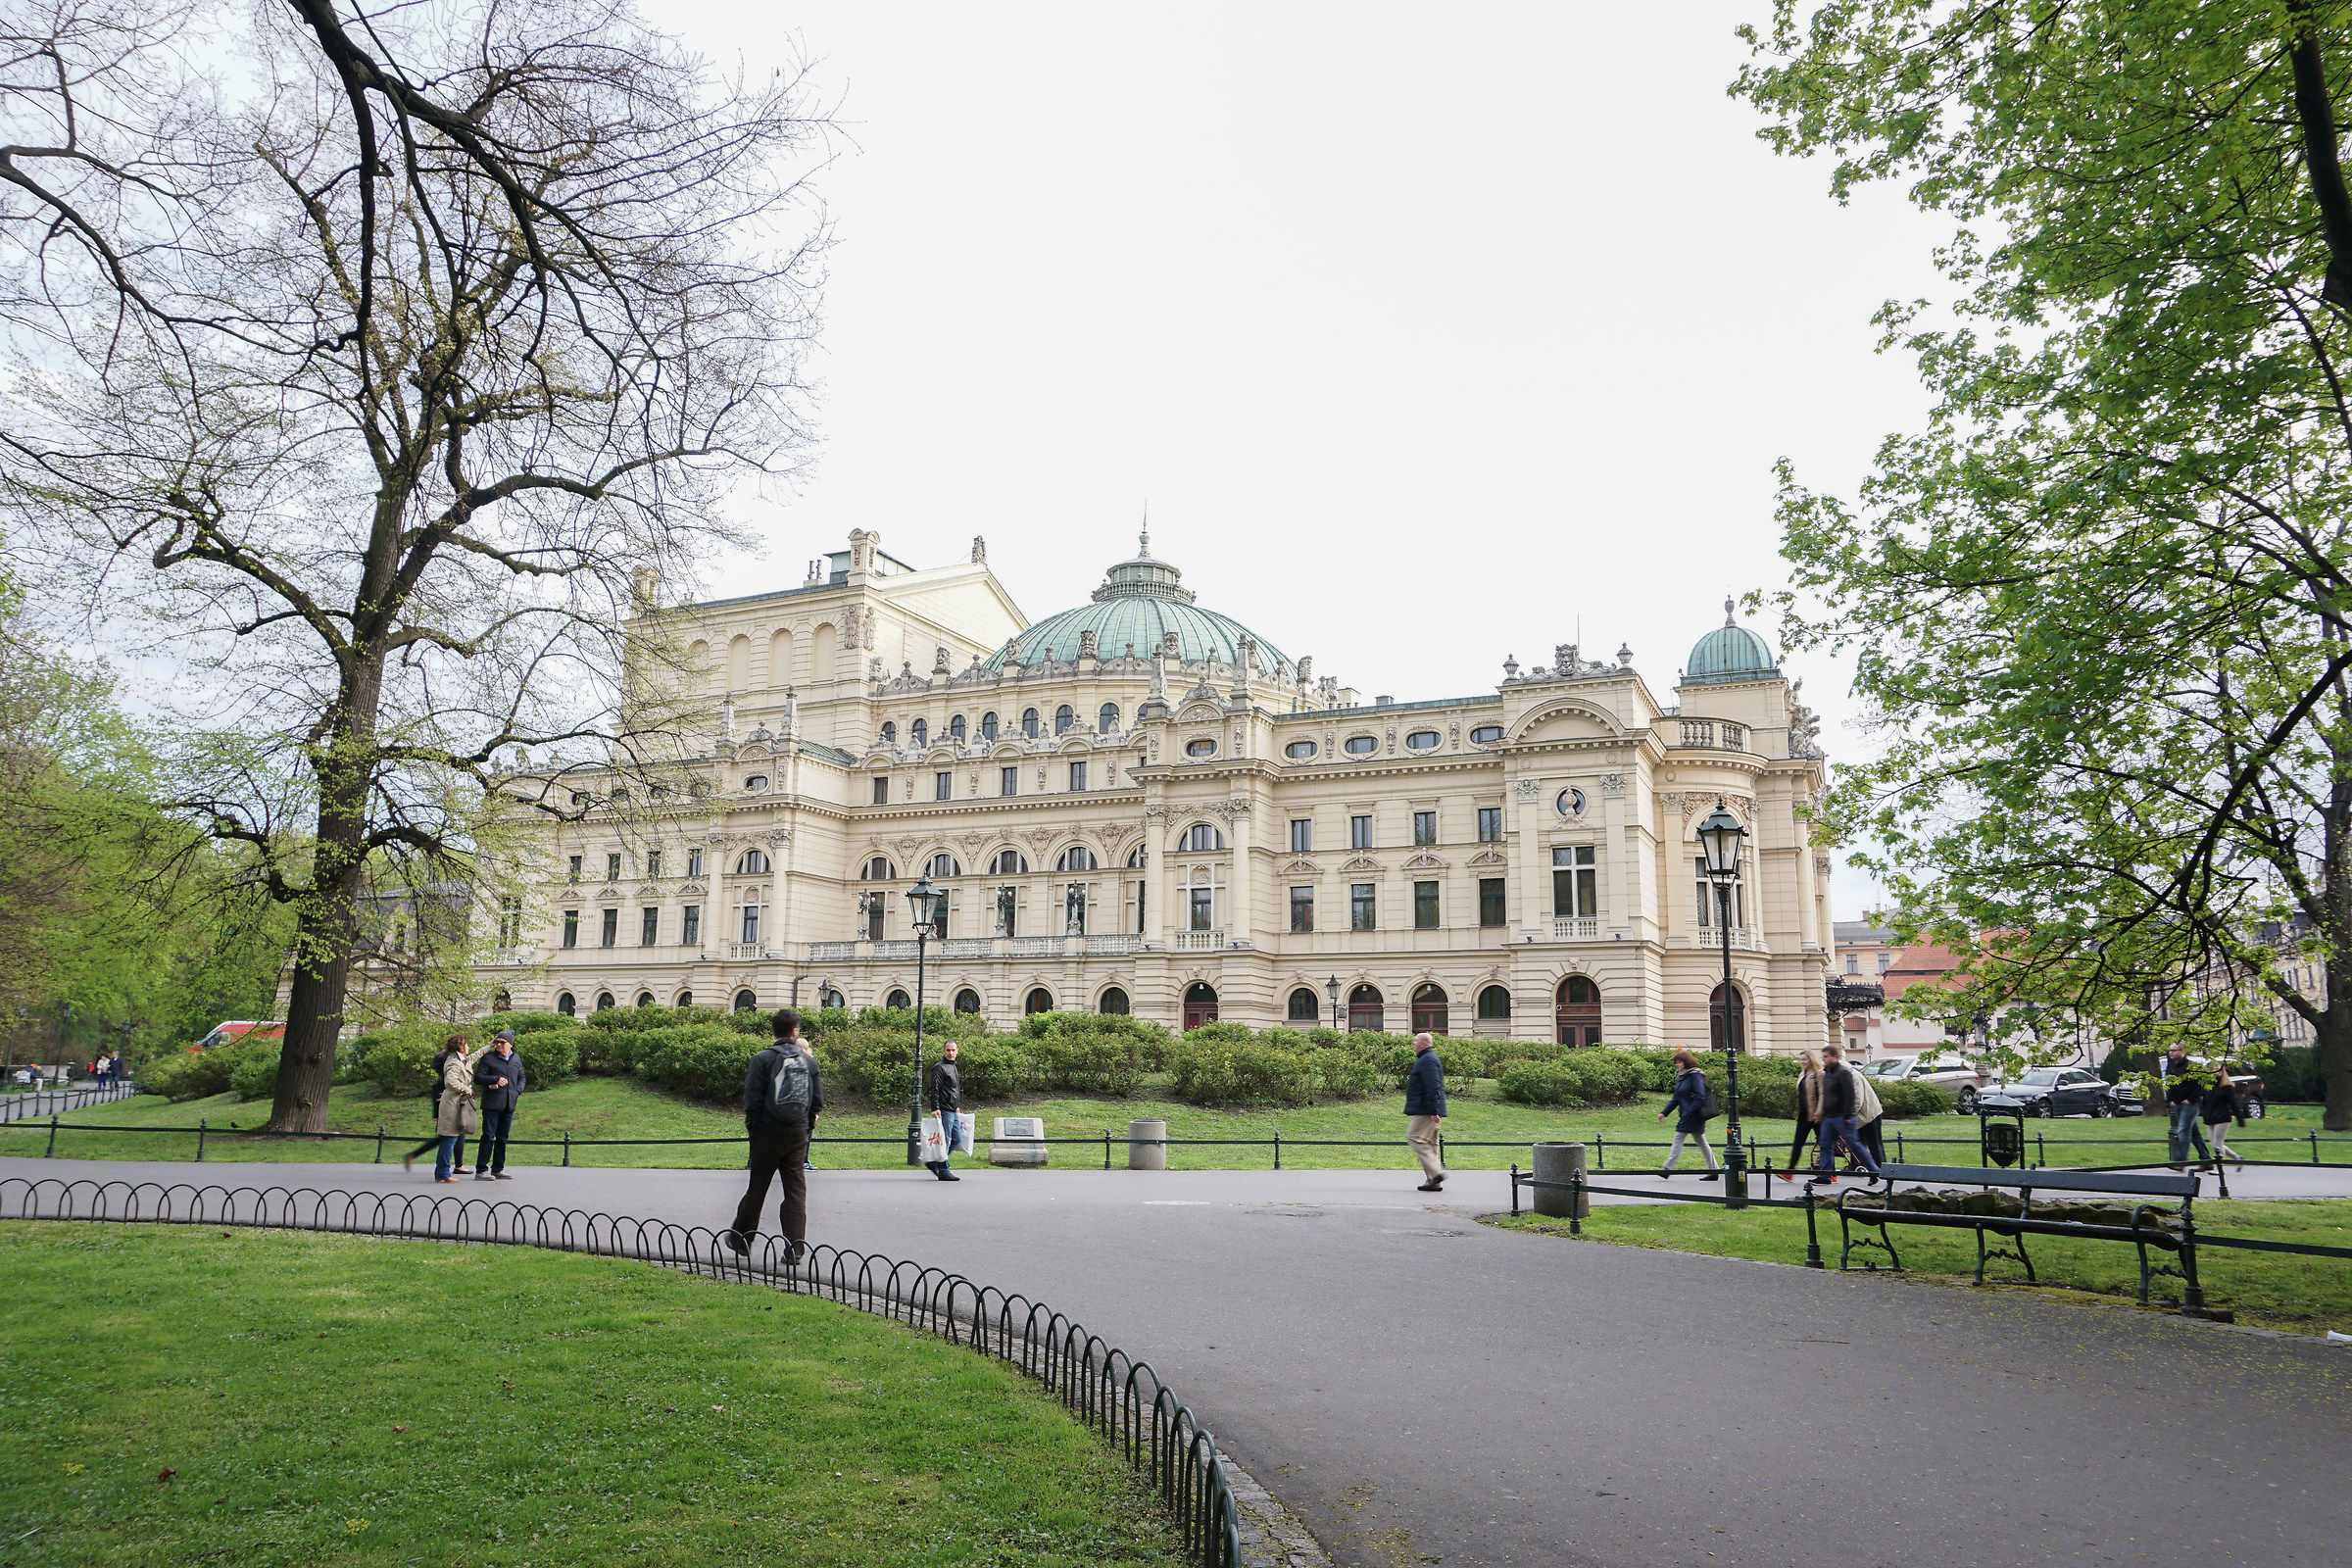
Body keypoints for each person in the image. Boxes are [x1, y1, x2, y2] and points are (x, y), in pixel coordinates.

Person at [726, 1008, 823, 1259]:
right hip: (797, 1134)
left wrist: (754, 1130)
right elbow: (817, 1102)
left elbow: (753, 1100)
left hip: (767, 1134)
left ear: (773, 1031)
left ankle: (742, 1241)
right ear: (795, 1032)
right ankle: (795, 1249)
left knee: (757, 1189)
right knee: (795, 1193)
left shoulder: (762, 1058)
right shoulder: (809, 1061)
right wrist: (804, 1128)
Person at [1811, 1044, 1883, 1184]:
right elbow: (1826, 1096)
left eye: (1826, 1057)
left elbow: (1851, 1096)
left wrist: (1848, 1116)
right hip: (1829, 1118)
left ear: (1834, 1057)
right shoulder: (1827, 1074)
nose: (1823, 1059)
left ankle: (1874, 1171)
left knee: (1854, 1145)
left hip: (1842, 1117)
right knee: (1825, 1145)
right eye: (1823, 1057)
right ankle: (1825, 1175)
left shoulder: (1844, 1073)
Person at [404, 1037, 469, 1174]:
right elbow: (448, 1077)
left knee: (449, 1135)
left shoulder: (446, 1057)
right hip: (444, 1097)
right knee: (451, 1133)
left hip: (443, 1095)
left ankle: (414, 1155)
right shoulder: (448, 1059)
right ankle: (456, 1166)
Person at [432, 1035, 489, 1183]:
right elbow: (450, 1082)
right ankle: (443, 1173)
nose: (468, 1048)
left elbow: (474, 1057)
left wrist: (488, 1047)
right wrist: (466, 1089)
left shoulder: (460, 1059)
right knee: (449, 1139)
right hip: (451, 1104)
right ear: (461, 1047)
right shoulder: (453, 1063)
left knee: (449, 1139)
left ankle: (441, 1173)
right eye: (467, 1045)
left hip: (455, 1103)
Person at [472, 1028, 526, 1180]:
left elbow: (522, 1077)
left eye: (502, 1042)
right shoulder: (489, 1058)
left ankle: (498, 1168)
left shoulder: (516, 1059)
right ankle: (481, 1169)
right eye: (497, 1042)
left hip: (509, 1103)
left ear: (510, 1044)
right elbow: (478, 1077)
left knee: (502, 1137)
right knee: (488, 1136)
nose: (499, 1045)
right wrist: (494, 1079)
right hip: (492, 1103)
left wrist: (517, 1091)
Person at [1657, 1050, 1719, 1181]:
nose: (1677, 1065)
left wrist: (1688, 1112)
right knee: (1702, 1142)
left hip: (1694, 1115)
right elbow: (1676, 1099)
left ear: (1686, 1062)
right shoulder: (1682, 1077)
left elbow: (1700, 1096)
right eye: (1676, 1062)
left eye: (1679, 1062)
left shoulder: (1695, 1075)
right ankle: (1714, 1170)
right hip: (1688, 1115)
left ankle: (1667, 1169)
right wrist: (1664, 1113)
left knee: (1678, 1139)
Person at [1403, 1032, 1447, 1192]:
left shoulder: (1427, 1060)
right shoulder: (1427, 1058)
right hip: (1429, 1108)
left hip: (1426, 1110)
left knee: (1415, 1138)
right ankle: (1433, 1181)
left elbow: (1433, 1086)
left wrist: (1434, 1110)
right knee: (1430, 1143)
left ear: (1424, 1044)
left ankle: (1436, 1173)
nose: (1413, 1043)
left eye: (1416, 1041)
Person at [2163, 1046, 2211, 1170]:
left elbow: (2199, 1085)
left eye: (2174, 1050)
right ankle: (2206, 1160)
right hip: (2178, 1104)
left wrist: (2190, 1099)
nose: (2171, 1053)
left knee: (2183, 1131)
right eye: (2170, 1050)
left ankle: (2180, 1162)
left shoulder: (2191, 1066)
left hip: (2189, 1105)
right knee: (2194, 1134)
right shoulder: (2171, 1066)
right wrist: (2171, 1100)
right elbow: (2169, 1084)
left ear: (2182, 1051)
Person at [1779, 1049, 1824, 1180]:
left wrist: (1819, 1112)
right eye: (1801, 1059)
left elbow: (1822, 1094)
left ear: (1811, 1059)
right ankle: (1789, 1171)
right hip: (1804, 1115)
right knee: (1797, 1143)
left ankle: (1830, 1173)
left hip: (1816, 1116)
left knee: (1824, 1145)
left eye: (1805, 1059)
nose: (1802, 1062)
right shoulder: (1802, 1074)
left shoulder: (1819, 1074)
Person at [924, 1040, 962, 1182]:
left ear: (957, 1051)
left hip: (953, 1110)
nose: (951, 1053)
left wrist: (956, 1105)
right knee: (945, 1141)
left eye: (953, 1050)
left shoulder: (953, 1067)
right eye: (948, 1050)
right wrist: (935, 1108)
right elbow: (934, 1090)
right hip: (944, 1110)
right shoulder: (939, 1068)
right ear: (944, 1051)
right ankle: (944, 1171)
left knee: (957, 1139)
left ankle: (934, 1162)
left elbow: (953, 1089)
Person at [1848, 1051, 1887, 1168]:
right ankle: (1859, 1167)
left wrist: (1847, 1115)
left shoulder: (1853, 1077)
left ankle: (1881, 1168)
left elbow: (1857, 1101)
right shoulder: (1847, 1075)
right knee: (1858, 1143)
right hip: (1861, 1116)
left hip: (1870, 1114)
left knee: (1874, 1144)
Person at [2201, 1069, 2242, 1172]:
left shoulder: (2227, 1087)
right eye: (2211, 1071)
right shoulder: (2207, 1087)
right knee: (2214, 1144)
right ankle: (2237, 1158)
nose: (2213, 1073)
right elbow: (2204, 1102)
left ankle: (2219, 1168)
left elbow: (2234, 1104)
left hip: (2222, 1118)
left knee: (2218, 1144)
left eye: (2216, 1071)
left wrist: (2240, 1119)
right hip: (2210, 1118)